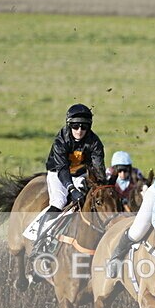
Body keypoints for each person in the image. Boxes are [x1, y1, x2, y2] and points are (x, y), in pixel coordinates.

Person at [27, 103, 106, 250]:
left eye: (84, 127)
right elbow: (62, 169)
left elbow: (98, 168)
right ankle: (40, 237)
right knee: (59, 201)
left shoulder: (95, 142)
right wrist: (71, 189)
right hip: (58, 173)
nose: (79, 130)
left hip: (81, 174)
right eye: (75, 126)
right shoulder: (60, 141)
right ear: (69, 125)